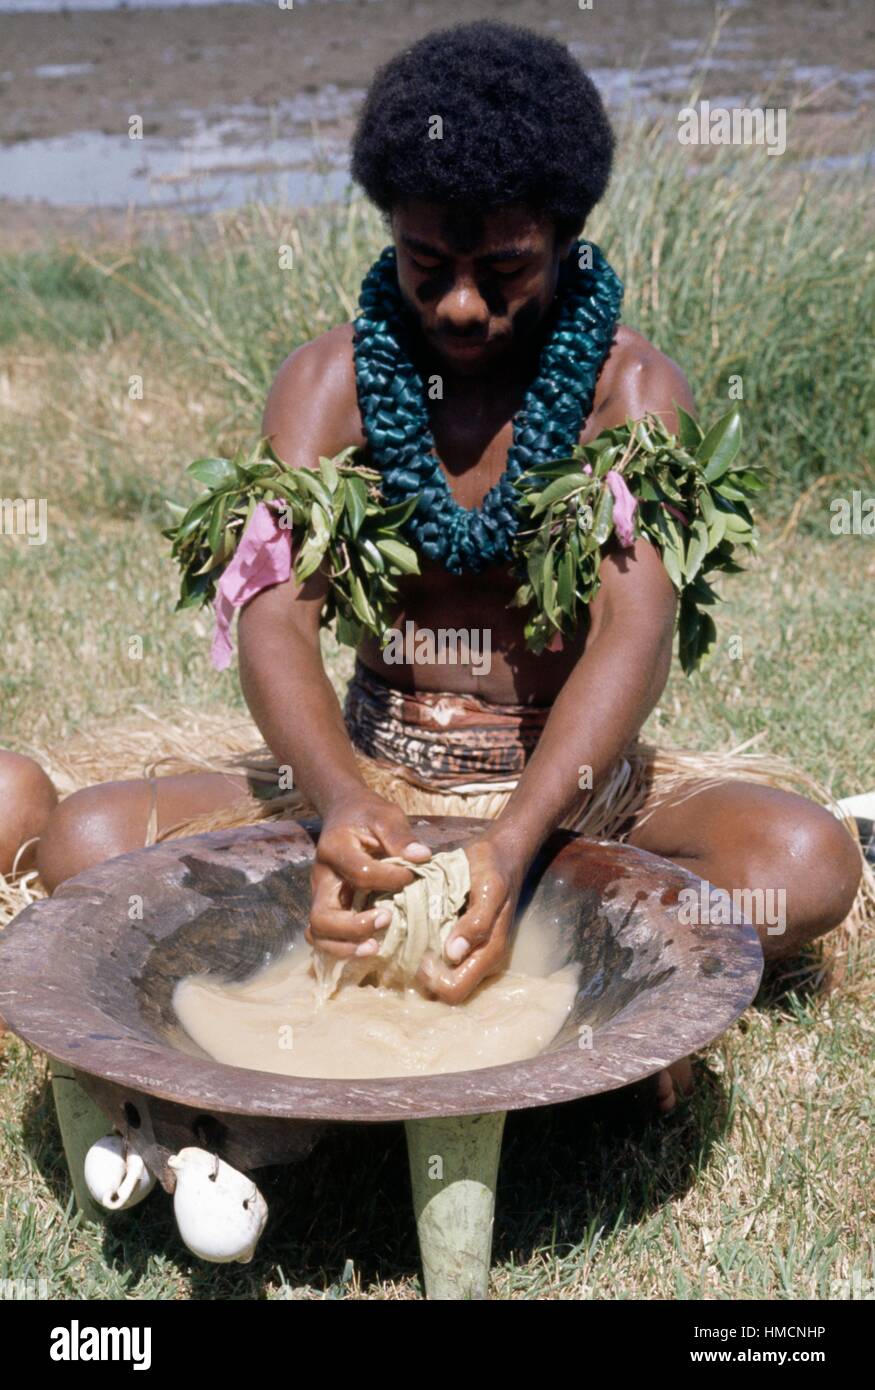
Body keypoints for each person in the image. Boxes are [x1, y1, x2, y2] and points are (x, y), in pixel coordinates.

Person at [13, 21, 865, 1111]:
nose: (461, 304)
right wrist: (333, 805)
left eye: (503, 268)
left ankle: (565, 914)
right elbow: (272, 618)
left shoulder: (630, 394)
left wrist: (514, 841)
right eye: (428, 266)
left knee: (804, 863)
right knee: (86, 844)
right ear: (389, 237)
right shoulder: (329, 385)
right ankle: (566, 945)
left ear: (562, 239)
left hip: (577, 797)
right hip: (374, 776)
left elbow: (632, 630)